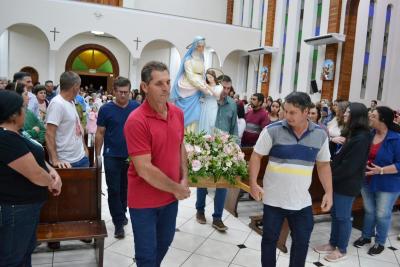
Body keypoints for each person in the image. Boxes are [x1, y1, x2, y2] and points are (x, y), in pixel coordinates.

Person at [249, 92, 333, 267]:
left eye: (292, 112)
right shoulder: (272, 130)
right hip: (273, 199)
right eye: (285, 111)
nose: (287, 116)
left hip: (301, 202)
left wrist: (329, 192)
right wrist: (253, 183)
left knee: (301, 243)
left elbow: (324, 165)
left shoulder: (320, 135)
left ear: (305, 112)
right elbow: (256, 156)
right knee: (269, 241)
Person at [124, 61, 190, 266]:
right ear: (144, 87)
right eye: (159, 83)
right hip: (144, 201)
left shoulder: (177, 113)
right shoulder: (136, 121)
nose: (166, 88)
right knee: (146, 255)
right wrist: (176, 187)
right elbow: (144, 169)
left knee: (165, 242)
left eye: (168, 82)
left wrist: (185, 177)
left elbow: (180, 147)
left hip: (169, 198)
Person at [0, 90, 61, 267]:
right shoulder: (5, 138)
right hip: (16, 208)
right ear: (13, 113)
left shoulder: (15, 134)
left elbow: (35, 158)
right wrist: (52, 182)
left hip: (26, 207)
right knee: (12, 257)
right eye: (23, 108)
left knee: (24, 253)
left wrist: (51, 170)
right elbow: (34, 173)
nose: (25, 113)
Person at [314, 103, 371, 262]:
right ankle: (332, 243)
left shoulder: (362, 137)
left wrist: (330, 177)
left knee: (343, 217)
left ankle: (342, 249)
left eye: (347, 112)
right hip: (340, 181)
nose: (344, 114)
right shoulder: (353, 133)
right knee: (335, 214)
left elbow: (350, 166)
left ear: (357, 116)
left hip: (347, 183)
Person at [95, 77, 139, 239]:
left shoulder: (136, 107)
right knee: (113, 189)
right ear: (114, 92)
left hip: (131, 156)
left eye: (126, 93)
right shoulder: (106, 109)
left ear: (130, 92)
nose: (123, 96)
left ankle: (122, 211)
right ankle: (118, 222)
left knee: (125, 188)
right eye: (120, 92)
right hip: (111, 155)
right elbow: (100, 133)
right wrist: (97, 157)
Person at [353, 106, 400, 255]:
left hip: (388, 183)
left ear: (383, 120)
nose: (369, 118)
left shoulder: (396, 139)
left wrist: (381, 170)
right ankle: (366, 236)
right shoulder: (369, 134)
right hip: (367, 180)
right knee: (370, 210)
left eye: (373, 116)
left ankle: (380, 242)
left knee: (382, 213)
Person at [195, 74, 238, 231]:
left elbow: (234, 128)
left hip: (224, 146)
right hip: (206, 144)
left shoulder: (232, 105)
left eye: (228, 88)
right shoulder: (207, 99)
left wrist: (235, 147)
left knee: (223, 183)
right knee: (202, 179)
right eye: (223, 87)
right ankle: (200, 210)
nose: (225, 91)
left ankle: (217, 217)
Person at [45, 71, 89, 169]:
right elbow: (49, 134)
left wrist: (84, 148)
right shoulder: (57, 104)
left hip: (81, 157)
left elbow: (76, 126)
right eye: (79, 86)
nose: (79, 89)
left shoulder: (71, 102)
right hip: (66, 162)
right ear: (75, 86)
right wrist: (55, 160)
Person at [171, 36, 212, 132]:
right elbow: (191, 77)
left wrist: (205, 86)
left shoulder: (201, 60)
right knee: (184, 117)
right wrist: (202, 87)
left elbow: (202, 75)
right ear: (195, 46)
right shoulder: (188, 60)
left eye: (203, 46)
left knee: (197, 114)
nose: (202, 48)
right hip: (188, 88)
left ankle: (192, 139)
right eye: (200, 46)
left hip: (197, 90)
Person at [198, 69, 223, 134]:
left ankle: (210, 138)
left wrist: (208, 87)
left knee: (211, 122)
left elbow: (217, 96)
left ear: (214, 77)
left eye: (210, 77)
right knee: (203, 121)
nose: (209, 79)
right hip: (205, 105)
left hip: (213, 105)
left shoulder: (219, 86)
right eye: (207, 77)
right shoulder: (206, 84)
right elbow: (202, 95)